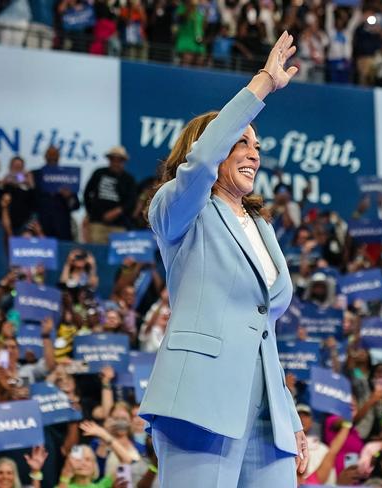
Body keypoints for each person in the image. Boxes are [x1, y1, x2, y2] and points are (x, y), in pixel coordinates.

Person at [139, 32, 306, 487]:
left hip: (266, 415)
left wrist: (289, 415)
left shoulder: (263, 229)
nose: (253, 153)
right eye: (242, 142)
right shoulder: (178, 210)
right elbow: (200, 163)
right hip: (200, 402)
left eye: (257, 148)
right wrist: (262, 85)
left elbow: (263, 330)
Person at [83, 146, 137, 244]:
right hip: (97, 223)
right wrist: (90, 213)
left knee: (119, 257)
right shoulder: (99, 173)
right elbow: (87, 193)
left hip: (119, 225)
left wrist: (117, 211)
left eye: (119, 160)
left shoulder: (128, 179)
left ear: (123, 161)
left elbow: (132, 201)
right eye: (113, 159)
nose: (116, 163)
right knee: (97, 252)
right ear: (109, 159)